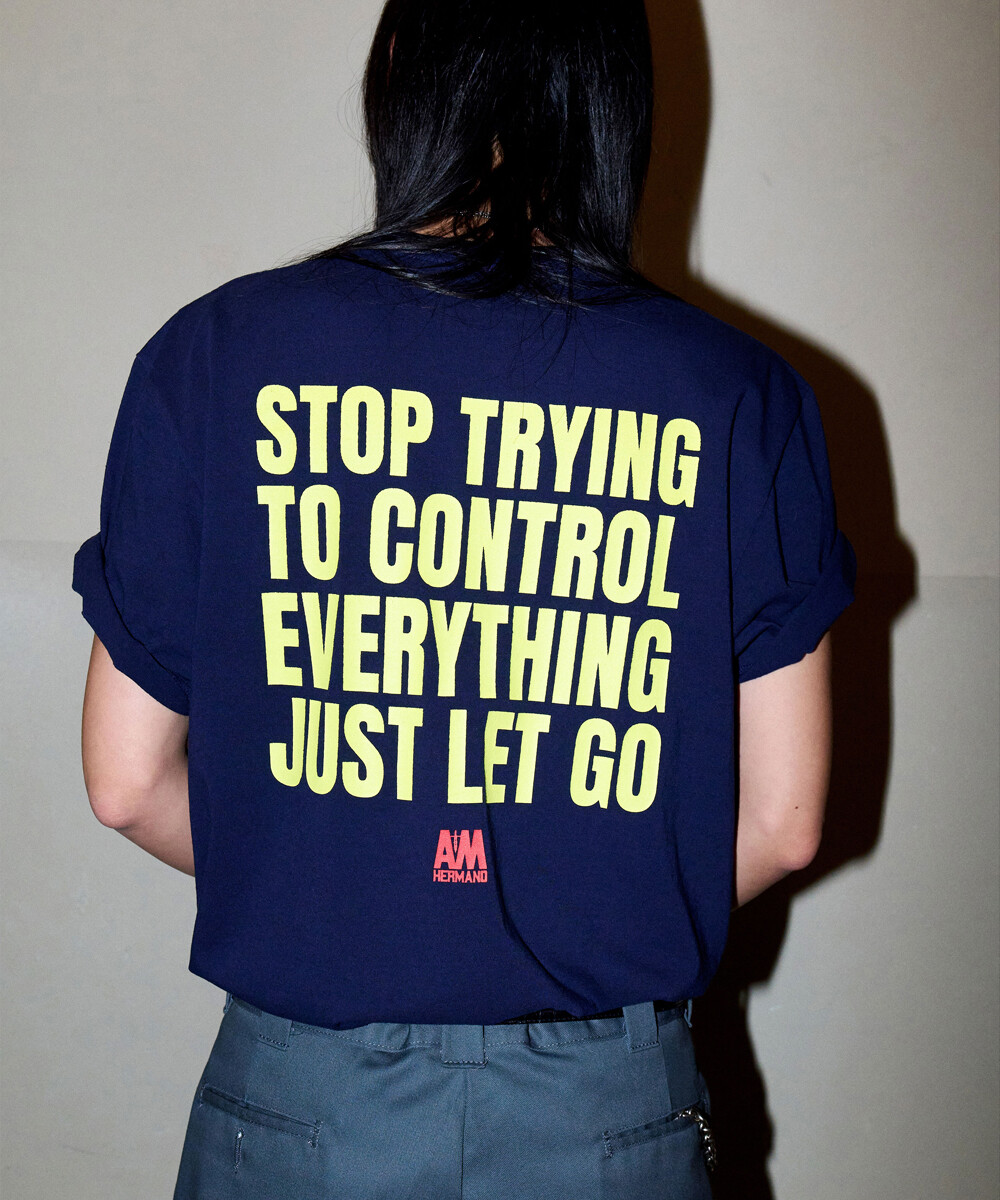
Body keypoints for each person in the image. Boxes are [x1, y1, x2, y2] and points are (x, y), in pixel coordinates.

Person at [72, 1, 856, 1196]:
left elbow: (125, 783)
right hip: (604, 1114)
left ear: (400, 71)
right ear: (613, 99)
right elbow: (784, 822)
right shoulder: (735, 392)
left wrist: (332, 889)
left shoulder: (217, 352)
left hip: (303, 1108)